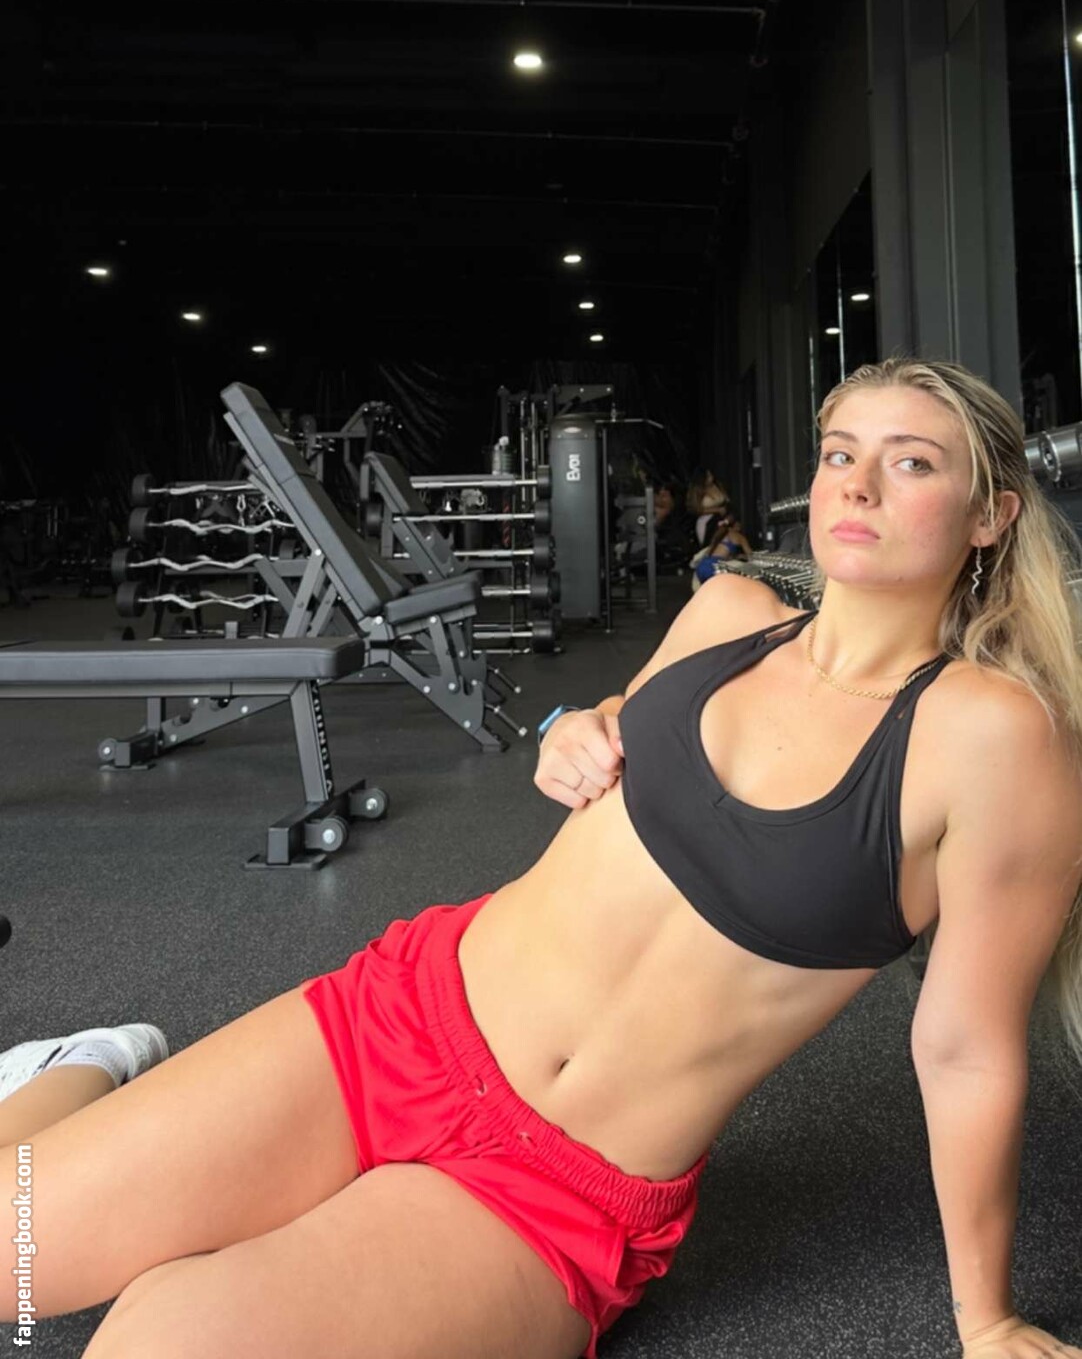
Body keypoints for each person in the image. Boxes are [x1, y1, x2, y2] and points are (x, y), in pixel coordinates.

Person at [3, 355, 1082, 1359]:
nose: (859, 485)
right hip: (406, 1019)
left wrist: (984, 1321)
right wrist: (578, 727)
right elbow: (621, 730)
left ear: (990, 514)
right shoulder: (728, 611)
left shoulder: (998, 740)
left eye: (912, 463)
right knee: (13, 1257)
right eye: (841, 452)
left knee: (160, 1336)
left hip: (551, 1191)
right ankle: (81, 1066)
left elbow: (965, 1049)